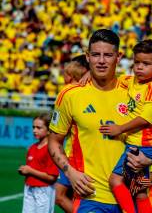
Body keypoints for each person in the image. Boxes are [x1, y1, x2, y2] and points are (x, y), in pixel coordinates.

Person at [48, 29, 152, 213]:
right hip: (91, 197)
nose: (102, 61)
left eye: (108, 55)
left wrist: (150, 158)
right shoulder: (70, 95)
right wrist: (70, 173)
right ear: (87, 57)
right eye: (96, 55)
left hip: (131, 196)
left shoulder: (137, 90)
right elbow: (54, 141)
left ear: (118, 57)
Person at [99, 39, 152, 213]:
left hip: (143, 146)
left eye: (146, 64)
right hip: (140, 145)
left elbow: (145, 119)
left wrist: (119, 128)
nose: (139, 67)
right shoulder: (131, 80)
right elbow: (110, 78)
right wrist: (86, 76)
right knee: (139, 192)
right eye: (136, 62)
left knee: (115, 180)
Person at [55, 54, 89, 213]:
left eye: (66, 75)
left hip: (75, 154)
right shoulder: (77, 92)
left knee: (61, 195)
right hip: (72, 152)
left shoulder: (70, 92)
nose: (64, 78)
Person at [19, 113, 59, 213]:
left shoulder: (51, 149)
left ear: (49, 130)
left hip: (44, 190)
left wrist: (30, 171)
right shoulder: (32, 148)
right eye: (33, 127)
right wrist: (24, 170)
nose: (34, 130)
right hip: (29, 188)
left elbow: (52, 178)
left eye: (39, 128)